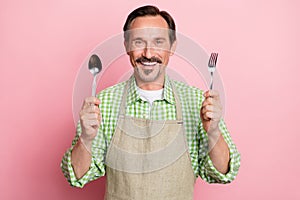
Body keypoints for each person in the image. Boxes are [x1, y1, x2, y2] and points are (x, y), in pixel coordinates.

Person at [61, 5, 240, 200]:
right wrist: (86, 138)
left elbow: (224, 172)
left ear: (172, 47)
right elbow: (76, 176)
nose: (148, 53)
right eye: (139, 42)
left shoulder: (199, 102)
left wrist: (213, 132)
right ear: (127, 46)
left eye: (158, 42)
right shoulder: (103, 103)